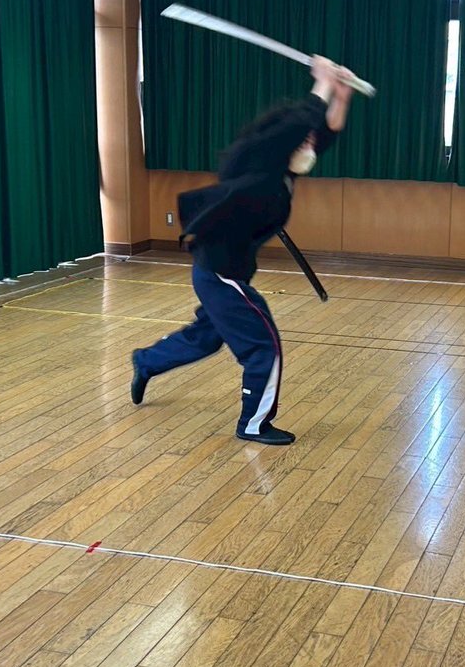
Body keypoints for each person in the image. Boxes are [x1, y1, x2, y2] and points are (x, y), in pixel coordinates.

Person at [129, 57, 354, 446]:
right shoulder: (261, 167)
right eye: (301, 141)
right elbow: (296, 127)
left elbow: (323, 132)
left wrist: (342, 94)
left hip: (223, 270)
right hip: (220, 273)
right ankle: (253, 423)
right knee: (264, 344)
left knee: (207, 336)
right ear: (281, 146)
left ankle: (146, 361)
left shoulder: (283, 173)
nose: (309, 145)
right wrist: (321, 83)